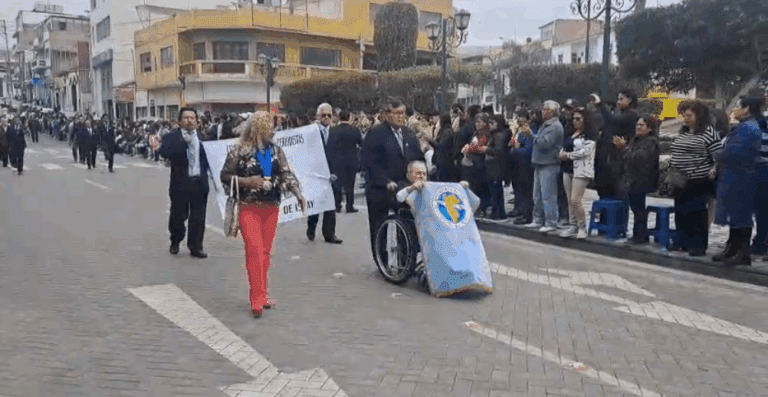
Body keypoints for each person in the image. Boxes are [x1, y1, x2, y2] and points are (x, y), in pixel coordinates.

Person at [221, 112, 307, 319]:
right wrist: (247, 182)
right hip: (248, 206)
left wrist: (298, 193)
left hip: (271, 206)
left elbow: (286, 173)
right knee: (254, 250)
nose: (273, 129)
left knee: (266, 252)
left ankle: (263, 293)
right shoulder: (239, 151)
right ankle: (256, 299)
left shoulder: (275, 151)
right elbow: (225, 176)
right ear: (257, 128)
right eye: (269, 125)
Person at [362, 100, 425, 258]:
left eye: (402, 113)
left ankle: (406, 259)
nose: (400, 117)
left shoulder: (409, 133)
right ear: (387, 114)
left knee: (407, 225)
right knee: (378, 227)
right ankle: (381, 259)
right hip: (380, 187)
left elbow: (417, 158)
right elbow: (369, 161)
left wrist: (422, 175)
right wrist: (385, 181)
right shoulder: (375, 133)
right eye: (396, 113)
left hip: (404, 187)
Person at [712, 96, 763, 266]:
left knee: (741, 215)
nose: (735, 109)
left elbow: (733, 151)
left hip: (741, 176)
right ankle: (732, 248)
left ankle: (742, 252)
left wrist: (719, 155)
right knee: (734, 214)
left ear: (747, 108)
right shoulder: (743, 126)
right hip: (733, 175)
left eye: (738, 106)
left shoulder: (748, 128)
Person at [155, 107, 211, 259]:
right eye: (186, 118)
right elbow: (165, 153)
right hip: (180, 183)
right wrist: (182, 143)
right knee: (178, 215)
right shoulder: (171, 137)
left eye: (192, 118)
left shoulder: (204, 138)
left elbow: (211, 158)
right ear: (180, 122)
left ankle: (196, 246)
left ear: (197, 121)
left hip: (199, 183)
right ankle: (175, 240)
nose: (189, 120)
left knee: (198, 217)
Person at [669, 102, 722, 256]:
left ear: (699, 116)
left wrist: (714, 170)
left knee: (696, 213)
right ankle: (682, 242)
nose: (685, 118)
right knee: (680, 211)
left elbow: (718, 155)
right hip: (679, 178)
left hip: (698, 179)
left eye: (689, 116)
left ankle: (698, 245)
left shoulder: (708, 132)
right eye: (684, 115)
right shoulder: (684, 131)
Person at [616, 115, 661, 244]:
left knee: (638, 208)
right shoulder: (636, 139)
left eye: (642, 125)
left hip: (642, 179)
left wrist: (625, 148)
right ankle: (640, 234)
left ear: (650, 128)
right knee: (635, 207)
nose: (638, 127)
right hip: (632, 179)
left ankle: (640, 235)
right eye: (637, 125)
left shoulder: (650, 142)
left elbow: (640, 158)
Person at [306, 103, 343, 244]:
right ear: (318, 116)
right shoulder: (311, 132)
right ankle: (311, 226)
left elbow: (340, 154)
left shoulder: (336, 132)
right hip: (316, 174)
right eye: (324, 115)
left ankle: (329, 234)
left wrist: (338, 172)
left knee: (331, 205)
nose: (327, 118)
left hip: (332, 175)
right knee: (315, 204)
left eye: (329, 115)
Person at [526, 101, 564, 233]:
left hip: (549, 164)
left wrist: (531, 135)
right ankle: (537, 219)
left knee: (548, 194)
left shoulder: (555, 126)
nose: (542, 111)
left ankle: (551, 221)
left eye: (545, 109)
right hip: (539, 162)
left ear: (552, 112)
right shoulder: (545, 125)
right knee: (537, 195)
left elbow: (544, 143)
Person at [558, 107, 597, 238]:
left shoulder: (590, 134)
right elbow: (563, 147)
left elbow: (585, 152)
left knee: (576, 199)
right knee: (570, 200)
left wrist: (568, 155)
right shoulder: (570, 133)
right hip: (567, 169)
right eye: (573, 119)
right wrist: (562, 154)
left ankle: (582, 226)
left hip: (581, 170)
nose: (575, 121)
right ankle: (573, 225)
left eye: (578, 119)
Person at [328, 109, 363, 213]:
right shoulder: (355, 129)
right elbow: (361, 143)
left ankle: (337, 205)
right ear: (349, 118)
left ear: (339, 117)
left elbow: (330, 147)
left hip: (338, 160)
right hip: (351, 159)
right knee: (350, 184)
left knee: (337, 184)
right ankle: (349, 205)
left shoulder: (333, 130)